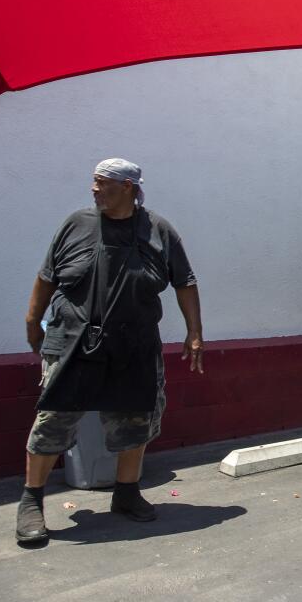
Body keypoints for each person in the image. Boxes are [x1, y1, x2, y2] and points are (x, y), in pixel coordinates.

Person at [16, 158, 204, 544]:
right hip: (72, 340)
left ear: (129, 188)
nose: (95, 189)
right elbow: (47, 275)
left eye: (104, 183)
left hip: (134, 344)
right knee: (53, 420)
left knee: (136, 419)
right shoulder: (76, 224)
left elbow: (184, 281)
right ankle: (31, 501)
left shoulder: (158, 230)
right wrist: (33, 322)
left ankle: (126, 493)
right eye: (94, 182)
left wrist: (195, 332)